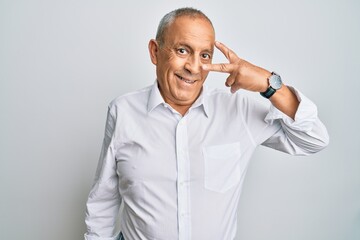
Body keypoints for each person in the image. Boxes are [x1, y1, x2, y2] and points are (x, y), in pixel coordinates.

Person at [84, 7, 329, 240]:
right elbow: (103, 201)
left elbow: (313, 139)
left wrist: (268, 84)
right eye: (182, 50)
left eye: (204, 55)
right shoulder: (123, 111)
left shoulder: (238, 110)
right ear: (155, 52)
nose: (193, 67)